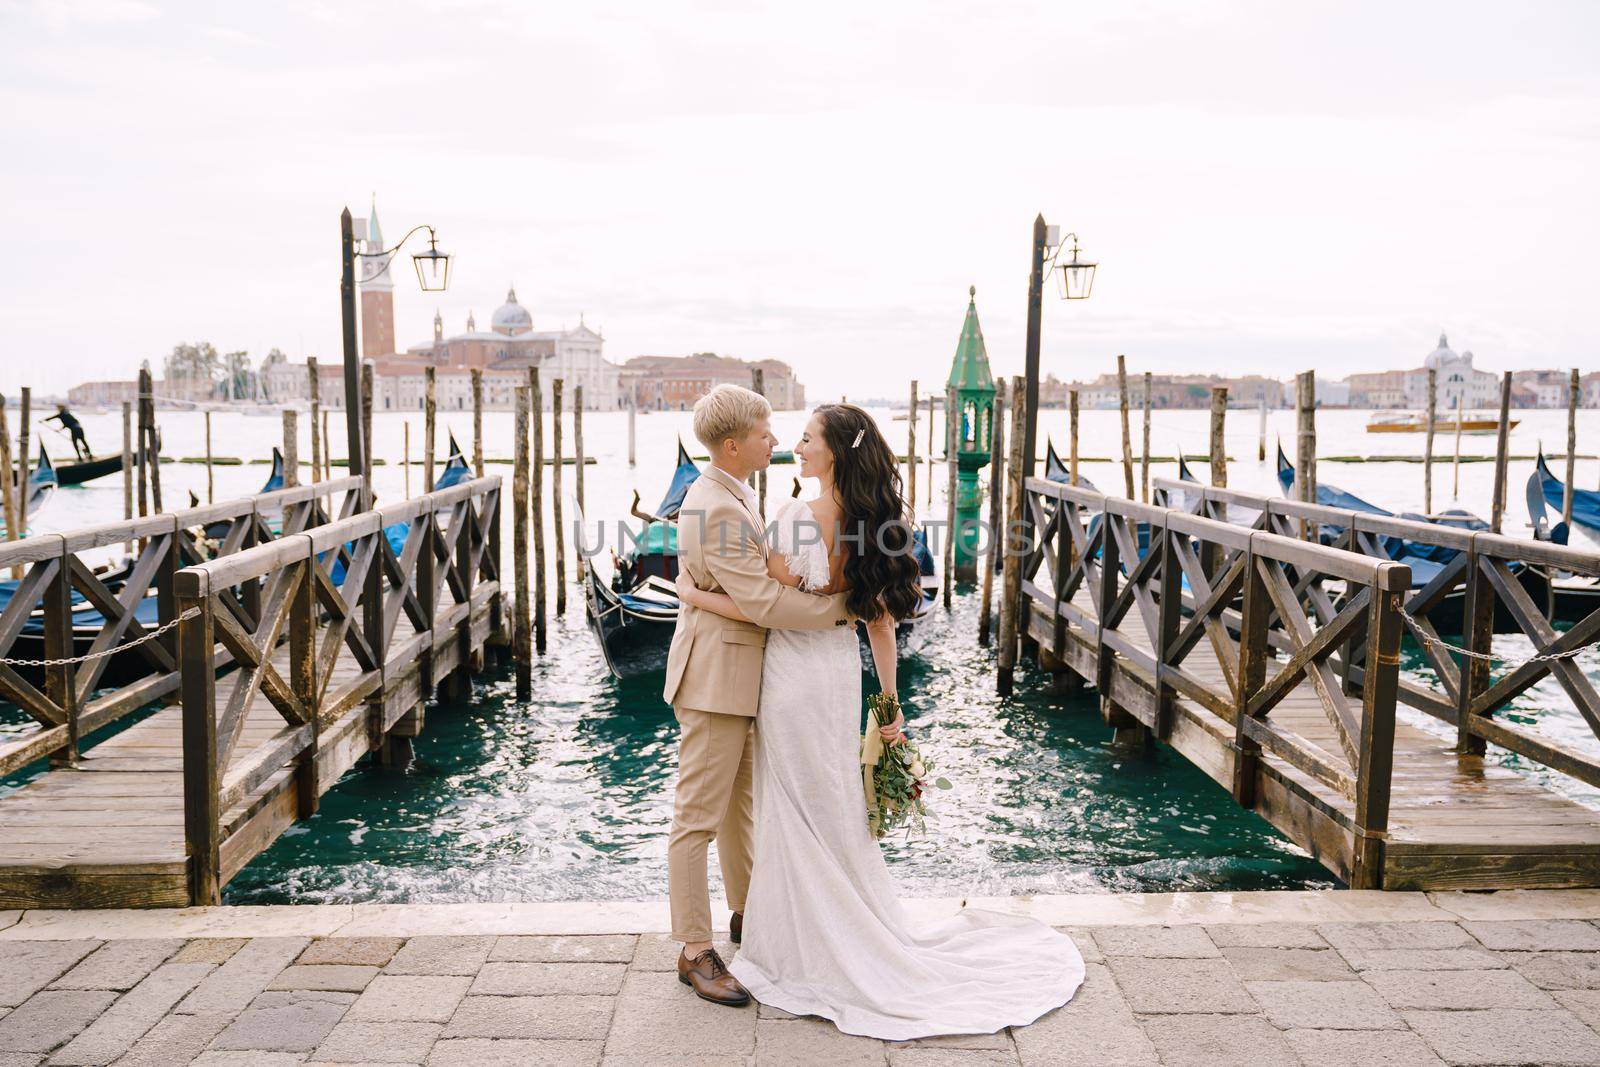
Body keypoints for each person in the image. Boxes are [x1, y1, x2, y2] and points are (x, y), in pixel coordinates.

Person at [674, 401, 1084, 1040]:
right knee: (822, 800)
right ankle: (784, 919)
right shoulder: (870, 523)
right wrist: (889, 709)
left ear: (834, 452)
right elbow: (879, 622)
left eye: (805, 438)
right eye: (776, 434)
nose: (790, 444)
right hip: (838, 679)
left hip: (788, 678)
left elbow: (765, 603)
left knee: (788, 803)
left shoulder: (791, 516)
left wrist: (693, 594)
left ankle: (782, 925)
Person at [661, 384, 862, 1007]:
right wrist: (840, 612)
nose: (775, 442)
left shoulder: (735, 491)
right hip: (717, 678)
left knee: (736, 810)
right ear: (732, 443)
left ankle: (748, 915)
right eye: (764, 432)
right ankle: (694, 950)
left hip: (741, 674)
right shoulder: (718, 505)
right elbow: (764, 602)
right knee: (698, 815)